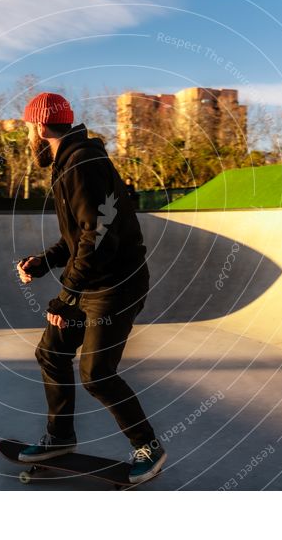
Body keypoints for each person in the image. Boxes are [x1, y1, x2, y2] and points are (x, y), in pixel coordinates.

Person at [16, 92, 166, 484]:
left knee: (97, 373)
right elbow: (80, 235)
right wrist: (45, 261)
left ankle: (148, 448)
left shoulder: (81, 164)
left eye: (29, 128)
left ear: (40, 126)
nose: (29, 135)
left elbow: (98, 238)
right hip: (94, 280)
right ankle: (60, 437)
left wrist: (65, 298)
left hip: (116, 286)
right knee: (51, 353)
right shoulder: (73, 160)